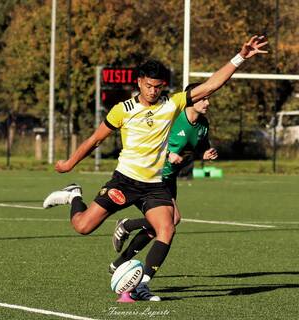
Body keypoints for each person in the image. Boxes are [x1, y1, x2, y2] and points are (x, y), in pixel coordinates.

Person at [43, 35, 268, 301]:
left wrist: (240, 57)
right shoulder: (122, 110)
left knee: (167, 227)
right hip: (124, 182)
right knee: (82, 226)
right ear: (139, 82)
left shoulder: (171, 104)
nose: (153, 91)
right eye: (149, 86)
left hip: (154, 186)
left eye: (158, 86)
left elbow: (211, 85)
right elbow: (94, 140)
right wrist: (69, 163)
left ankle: (142, 284)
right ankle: (74, 195)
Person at [109, 82, 218, 274]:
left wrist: (206, 153)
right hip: (155, 176)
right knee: (172, 220)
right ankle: (128, 229)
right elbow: (154, 138)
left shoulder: (202, 124)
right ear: (191, 99)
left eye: (208, 98)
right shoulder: (175, 118)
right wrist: (168, 154)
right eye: (202, 98)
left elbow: (200, 146)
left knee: (164, 224)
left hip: (170, 177)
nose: (207, 102)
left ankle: (120, 260)